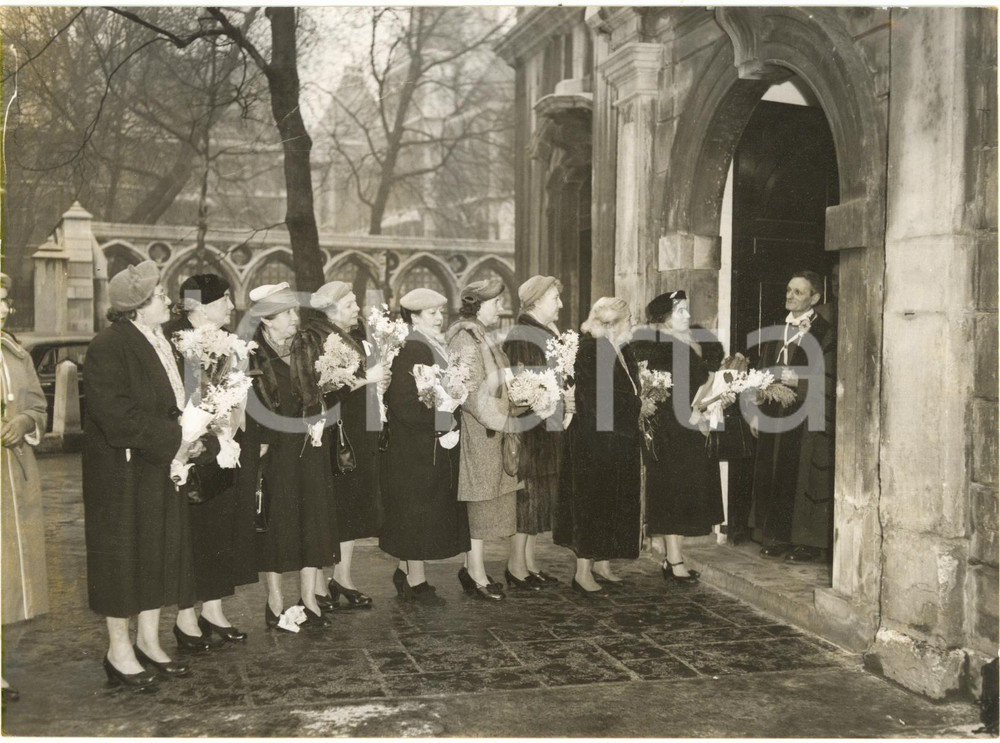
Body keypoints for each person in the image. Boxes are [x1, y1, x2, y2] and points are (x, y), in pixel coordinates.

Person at [83, 261, 197, 691]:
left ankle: (148, 641)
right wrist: (177, 439)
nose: (168, 300)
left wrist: (191, 435)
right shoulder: (109, 346)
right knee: (123, 559)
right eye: (160, 295)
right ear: (137, 307)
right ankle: (118, 650)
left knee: (157, 553)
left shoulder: (159, 339)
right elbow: (118, 418)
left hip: (158, 464)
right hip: (123, 473)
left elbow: (171, 401)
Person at [165, 274, 256, 648]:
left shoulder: (225, 340)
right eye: (224, 300)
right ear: (201, 306)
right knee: (192, 531)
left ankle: (214, 611)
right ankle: (185, 618)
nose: (232, 307)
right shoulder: (175, 338)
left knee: (220, 527)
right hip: (191, 449)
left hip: (224, 446)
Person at [242, 282, 336, 630]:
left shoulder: (305, 347)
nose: (295, 319)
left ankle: (309, 597)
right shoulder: (253, 354)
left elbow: (320, 388)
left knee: (313, 519)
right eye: (288, 313)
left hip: (309, 446)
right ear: (268, 320)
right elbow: (248, 405)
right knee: (277, 523)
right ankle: (275, 599)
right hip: (275, 451)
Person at [293, 280, 383, 610]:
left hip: (357, 432)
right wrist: (365, 380)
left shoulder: (351, 337)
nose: (357, 309)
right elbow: (318, 388)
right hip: (335, 435)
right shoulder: (314, 337)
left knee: (350, 507)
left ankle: (341, 578)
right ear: (331, 310)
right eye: (350, 305)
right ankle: (321, 584)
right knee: (333, 508)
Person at [379, 288, 470, 602]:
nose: (439, 317)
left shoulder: (429, 344)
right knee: (417, 512)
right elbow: (404, 404)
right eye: (432, 313)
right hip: (415, 446)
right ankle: (415, 581)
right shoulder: (413, 348)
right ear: (414, 317)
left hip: (428, 442)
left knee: (420, 511)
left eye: (440, 312)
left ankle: (407, 572)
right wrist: (443, 421)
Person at [632, 291, 724, 583]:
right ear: (664, 319)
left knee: (685, 494)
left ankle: (673, 559)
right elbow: (661, 393)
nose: (687, 315)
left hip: (691, 429)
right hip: (671, 432)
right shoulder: (656, 348)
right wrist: (692, 416)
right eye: (681, 311)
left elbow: (702, 382)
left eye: (687, 309)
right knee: (674, 494)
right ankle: (674, 561)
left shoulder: (696, 342)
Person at [554, 297, 642, 594]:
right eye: (628, 318)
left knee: (611, 503)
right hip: (597, 443)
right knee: (592, 504)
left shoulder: (621, 347)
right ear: (612, 323)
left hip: (618, 439)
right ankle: (582, 572)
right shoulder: (594, 349)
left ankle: (603, 563)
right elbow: (594, 402)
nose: (632, 323)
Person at [750, 270, 837, 562]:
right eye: (789, 290)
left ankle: (806, 543)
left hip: (807, 416)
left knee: (805, 479)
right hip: (775, 414)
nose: (790, 295)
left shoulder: (826, 333)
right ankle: (776, 537)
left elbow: (831, 378)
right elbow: (761, 371)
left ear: (815, 298)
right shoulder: (777, 329)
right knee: (775, 473)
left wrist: (796, 382)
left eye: (799, 292)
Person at [446, 278, 519, 601]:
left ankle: (473, 567)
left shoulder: (483, 335)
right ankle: (475, 574)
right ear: (479, 305)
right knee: (479, 505)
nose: (501, 308)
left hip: (492, 431)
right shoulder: (466, 338)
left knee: (486, 504)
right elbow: (471, 393)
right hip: (480, 434)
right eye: (496, 303)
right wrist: (501, 420)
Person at [501, 275, 569, 589]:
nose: (561, 304)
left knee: (537, 497)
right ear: (538, 300)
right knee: (527, 497)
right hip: (531, 430)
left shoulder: (540, 332)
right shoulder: (523, 335)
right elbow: (521, 387)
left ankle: (529, 562)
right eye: (555, 298)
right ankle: (516, 567)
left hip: (545, 427)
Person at [1, 273, 49, 702]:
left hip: (12, 478)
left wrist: (23, 422)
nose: (4, 310)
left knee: (6, 574)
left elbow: (36, 401)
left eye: (5, 302)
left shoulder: (15, 355)